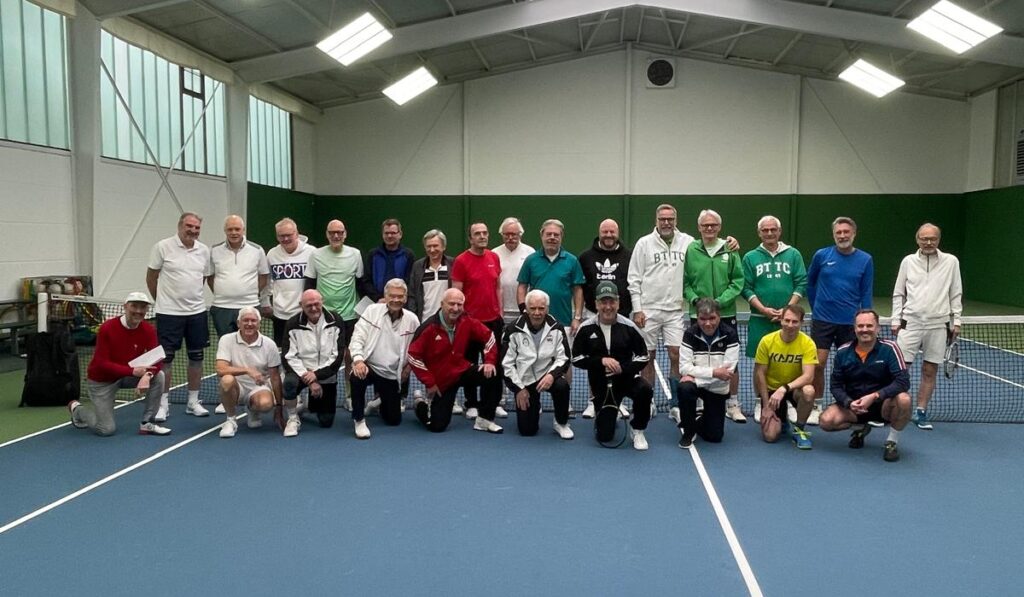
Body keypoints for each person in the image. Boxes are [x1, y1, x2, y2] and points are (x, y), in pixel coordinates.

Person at [627, 205, 737, 423]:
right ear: (656, 220)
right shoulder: (643, 243)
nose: (666, 222)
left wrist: (730, 242)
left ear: (676, 220)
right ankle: (648, 401)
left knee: (677, 355)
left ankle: (676, 404)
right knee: (647, 357)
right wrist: (637, 308)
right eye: (662, 219)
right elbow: (634, 278)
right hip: (648, 310)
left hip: (675, 310)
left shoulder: (688, 242)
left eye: (670, 219)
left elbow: (710, 244)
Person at [891, 223, 962, 430]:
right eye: (924, 238)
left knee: (930, 370)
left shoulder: (951, 262)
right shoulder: (908, 261)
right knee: (900, 369)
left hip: (938, 324)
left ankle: (921, 411)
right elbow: (899, 292)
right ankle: (893, 408)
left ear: (938, 240)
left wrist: (956, 320)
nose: (928, 242)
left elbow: (955, 292)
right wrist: (896, 319)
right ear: (917, 239)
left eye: (932, 238)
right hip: (911, 322)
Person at [68, 292, 169, 436]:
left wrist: (147, 375)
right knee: (106, 429)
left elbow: (157, 359)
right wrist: (133, 372)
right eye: (134, 306)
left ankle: (147, 422)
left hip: (126, 376)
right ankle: (77, 410)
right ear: (125, 307)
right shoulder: (107, 328)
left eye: (142, 307)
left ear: (147, 310)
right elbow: (101, 363)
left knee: (159, 376)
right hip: (102, 381)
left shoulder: (148, 330)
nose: (138, 311)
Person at [819, 309, 911, 462]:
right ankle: (860, 428)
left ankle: (891, 442)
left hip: (884, 406)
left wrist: (875, 396)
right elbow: (835, 386)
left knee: (904, 400)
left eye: (869, 325)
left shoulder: (890, 349)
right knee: (826, 421)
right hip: (854, 408)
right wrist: (848, 402)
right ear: (854, 329)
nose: (864, 329)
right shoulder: (843, 352)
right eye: (860, 326)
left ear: (878, 328)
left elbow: (903, 381)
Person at [806, 216, 873, 425]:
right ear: (834, 234)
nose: (842, 236)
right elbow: (810, 283)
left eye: (846, 232)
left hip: (850, 323)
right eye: (838, 232)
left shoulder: (865, 259)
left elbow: (866, 291)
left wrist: (866, 319)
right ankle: (816, 405)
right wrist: (816, 307)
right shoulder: (821, 255)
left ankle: (850, 404)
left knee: (851, 366)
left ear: (854, 234)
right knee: (818, 364)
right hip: (823, 320)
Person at [407, 288, 503, 434]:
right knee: (437, 426)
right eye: (451, 304)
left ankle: (484, 419)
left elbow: (489, 336)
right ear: (442, 304)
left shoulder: (466, 320)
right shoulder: (428, 327)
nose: (456, 308)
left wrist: (489, 361)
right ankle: (419, 403)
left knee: (492, 372)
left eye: (459, 304)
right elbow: (413, 356)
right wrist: (430, 382)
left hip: (462, 371)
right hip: (441, 382)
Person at [571, 281, 653, 451]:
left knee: (644, 389)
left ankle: (638, 430)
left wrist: (623, 368)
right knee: (605, 436)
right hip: (601, 386)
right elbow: (576, 358)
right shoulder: (586, 328)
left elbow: (643, 356)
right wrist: (600, 361)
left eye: (611, 302)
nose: (607, 307)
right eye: (603, 302)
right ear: (596, 304)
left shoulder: (629, 327)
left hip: (626, 380)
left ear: (618, 303)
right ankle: (610, 413)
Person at [741, 215, 807, 422]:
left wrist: (787, 310)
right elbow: (745, 287)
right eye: (765, 230)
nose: (769, 233)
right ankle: (761, 402)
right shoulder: (750, 257)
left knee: (791, 361)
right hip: (760, 319)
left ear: (779, 231)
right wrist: (763, 309)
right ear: (759, 233)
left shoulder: (793, 254)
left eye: (773, 229)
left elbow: (801, 282)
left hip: (787, 320)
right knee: (760, 364)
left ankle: (791, 402)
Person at [146, 212, 211, 421]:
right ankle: (163, 404)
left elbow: (202, 278)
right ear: (180, 226)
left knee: (196, 358)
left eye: (197, 227)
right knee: (166, 360)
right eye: (189, 226)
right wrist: (162, 301)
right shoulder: (162, 247)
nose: (193, 230)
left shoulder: (204, 251)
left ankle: (193, 402)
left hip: (197, 313)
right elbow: (151, 277)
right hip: (168, 314)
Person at [684, 209, 745, 423]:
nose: (709, 228)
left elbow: (737, 281)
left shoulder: (730, 248)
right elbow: (685, 282)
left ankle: (733, 403)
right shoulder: (691, 249)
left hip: (725, 313)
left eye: (713, 225)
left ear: (719, 227)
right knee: (697, 358)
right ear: (699, 227)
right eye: (705, 225)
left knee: (731, 362)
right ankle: (700, 400)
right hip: (698, 313)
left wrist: (719, 302)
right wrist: (696, 301)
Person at [349, 279, 420, 438]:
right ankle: (359, 419)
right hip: (369, 366)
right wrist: (358, 360)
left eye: (400, 296)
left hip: (392, 374)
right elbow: (357, 337)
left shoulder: (412, 320)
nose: (396, 300)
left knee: (393, 420)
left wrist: (408, 368)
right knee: (356, 377)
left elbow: (417, 349)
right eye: (392, 296)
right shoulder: (371, 311)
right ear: (385, 296)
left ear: (405, 298)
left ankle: (377, 402)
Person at [501, 289, 573, 439]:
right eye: (533, 308)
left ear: (547, 309)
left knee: (562, 385)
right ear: (526, 309)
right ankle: (534, 405)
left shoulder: (557, 327)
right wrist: (519, 389)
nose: (537, 313)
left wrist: (552, 375)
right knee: (527, 431)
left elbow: (564, 357)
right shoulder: (513, 329)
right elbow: (506, 364)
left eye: (541, 308)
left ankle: (561, 422)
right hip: (524, 380)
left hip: (547, 376)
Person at [450, 222, 504, 418]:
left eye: (485, 233)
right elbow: (456, 293)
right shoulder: (461, 261)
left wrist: (500, 312)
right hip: (469, 323)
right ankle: (471, 403)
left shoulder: (494, 257)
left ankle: (493, 403)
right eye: (477, 233)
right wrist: (460, 318)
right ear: (470, 238)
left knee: (495, 364)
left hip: (493, 322)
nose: (482, 236)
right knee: (469, 364)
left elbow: (498, 287)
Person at [280, 290, 346, 435]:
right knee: (289, 383)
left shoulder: (336, 320)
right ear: (301, 305)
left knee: (326, 421)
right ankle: (292, 418)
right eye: (309, 305)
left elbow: (337, 355)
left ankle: (309, 403)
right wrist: (309, 378)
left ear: (322, 302)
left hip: (325, 374)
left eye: (316, 304)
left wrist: (317, 375)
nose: (314, 308)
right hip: (301, 372)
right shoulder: (292, 323)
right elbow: (288, 357)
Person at [676, 298, 740, 448]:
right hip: (696, 386)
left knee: (715, 436)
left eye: (712, 318)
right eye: (702, 319)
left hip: (717, 388)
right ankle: (688, 431)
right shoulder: (690, 334)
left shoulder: (730, 334)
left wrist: (697, 379)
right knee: (684, 388)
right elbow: (684, 368)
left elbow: (727, 373)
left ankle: (698, 420)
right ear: (697, 317)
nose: (708, 323)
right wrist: (714, 372)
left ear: (719, 316)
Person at [753, 304, 817, 449]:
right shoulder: (767, 341)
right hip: (772, 392)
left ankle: (799, 429)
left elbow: (808, 377)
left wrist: (784, 388)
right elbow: (760, 374)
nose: (790, 325)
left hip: (794, 389)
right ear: (781, 320)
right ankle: (782, 418)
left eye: (795, 322)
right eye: (787, 320)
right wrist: (765, 406)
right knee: (770, 436)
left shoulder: (808, 343)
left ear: (801, 323)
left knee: (809, 391)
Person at [215, 307, 285, 438]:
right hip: (236, 387)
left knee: (265, 404)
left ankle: (252, 409)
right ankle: (231, 420)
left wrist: (279, 408)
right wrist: (248, 370)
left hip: (258, 387)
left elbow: (275, 377)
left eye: (253, 321)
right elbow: (220, 369)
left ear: (259, 324)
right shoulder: (226, 340)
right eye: (245, 320)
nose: (249, 324)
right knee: (226, 380)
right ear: (238, 323)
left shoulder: (269, 344)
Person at [517, 219, 585, 335]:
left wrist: (577, 317)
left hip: (563, 322)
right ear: (541, 236)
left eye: (556, 235)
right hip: (535, 323)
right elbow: (522, 286)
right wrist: (524, 310)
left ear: (561, 237)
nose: (552, 237)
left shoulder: (572, 261)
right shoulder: (531, 260)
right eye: (548, 234)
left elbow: (578, 290)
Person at [208, 215, 269, 337]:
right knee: (225, 343)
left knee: (250, 342)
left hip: (250, 305)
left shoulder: (257, 250)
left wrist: (250, 292)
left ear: (243, 230)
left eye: (237, 229)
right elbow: (210, 277)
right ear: (225, 230)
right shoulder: (214, 250)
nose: (234, 232)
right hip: (221, 307)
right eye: (230, 229)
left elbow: (263, 277)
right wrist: (223, 293)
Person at [263, 217, 316, 347]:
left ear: (296, 234)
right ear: (277, 236)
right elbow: (267, 280)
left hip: (305, 313)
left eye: (289, 235)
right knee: (282, 350)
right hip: (280, 314)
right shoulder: (272, 254)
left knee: (305, 350)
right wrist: (265, 301)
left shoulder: (312, 252)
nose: (285, 239)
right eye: (281, 236)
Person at [578, 218, 632, 318]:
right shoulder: (585, 258)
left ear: (618, 233)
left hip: (623, 316)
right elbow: (579, 289)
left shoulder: (630, 257)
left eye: (612, 232)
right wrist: (578, 316)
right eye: (605, 232)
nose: (608, 235)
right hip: (592, 315)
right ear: (599, 233)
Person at [360, 218, 415, 303]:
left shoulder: (408, 255)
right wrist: (377, 298)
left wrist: (398, 298)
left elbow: (411, 282)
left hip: (400, 302)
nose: (389, 236)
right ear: (382, 235)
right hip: (378, 302)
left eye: (393, 233)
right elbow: (366, 280)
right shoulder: (373, 254)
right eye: (386, 233)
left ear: (400, 234)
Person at [493, 217, 535, 324]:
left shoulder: (530, 253)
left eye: (513, 234)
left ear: (520, 234)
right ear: (501, 234)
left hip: (524, 310)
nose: (510, 238)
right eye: (506, 234)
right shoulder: (494, 254)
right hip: (500, 310)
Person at [407, 229, 453, 321]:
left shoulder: (453, 264)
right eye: (428, 246)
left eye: (435, 246)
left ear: (444, 246)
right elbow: (412, 295)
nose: (432, 250)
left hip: (448, 320)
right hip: (425, 320)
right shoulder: (418, 267)